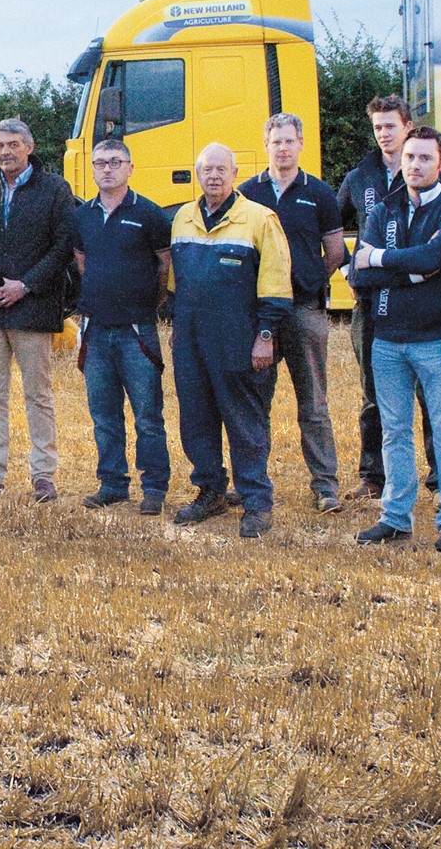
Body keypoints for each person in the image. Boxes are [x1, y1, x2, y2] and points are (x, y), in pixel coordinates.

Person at [349, 127, 441, 552]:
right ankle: (395, 518)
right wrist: (414, 272)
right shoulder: (385, 208)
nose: (415, 165)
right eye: (409, 157)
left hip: (434, 340)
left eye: (425, 158)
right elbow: (358, 272)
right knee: (394, 431)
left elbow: (433, 257)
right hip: (386, 341)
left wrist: (385, 260)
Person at [334, 95, 441, 499]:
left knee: (428, 394)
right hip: (370, 305)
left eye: (390, 126)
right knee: (374, 390)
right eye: (377, 128)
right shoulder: (359, 178)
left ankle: (440, 478)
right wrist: (349, 271)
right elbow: (335, 235)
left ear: (408, 126)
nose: (384, 134)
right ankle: (374, 476)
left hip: (423, 311)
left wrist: (389, 266)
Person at [167, 143, 293, 538]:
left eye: (222, 169)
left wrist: (266, 337)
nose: (214, 177)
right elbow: (177, 286)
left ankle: (256, 502)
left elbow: (276, 286)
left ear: (235, 174)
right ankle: (210, 491)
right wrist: (176, 330)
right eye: (207, 170)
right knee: (196, 420)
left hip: (239, 340)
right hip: (191, 341)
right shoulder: (183, 217)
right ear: (198, 173)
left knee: (245, 423)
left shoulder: (259, 219)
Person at [0, 118, 77, 503]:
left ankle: (43, 476)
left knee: (37, 395)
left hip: (35, 305)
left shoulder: (56, 190)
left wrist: (24, 285)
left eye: (12, 144)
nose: (5, 152)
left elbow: (63, 246)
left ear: (29, 147)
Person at [238, 112, 346, 513]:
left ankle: (325, 486)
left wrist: (310, 278)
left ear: (300, 144)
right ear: (265, 144)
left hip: (304, 312)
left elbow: (334, 252)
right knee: (254, 402)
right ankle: (250, 481)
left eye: (289, 140)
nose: (282, 148)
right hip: (259, 316)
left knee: (314, 404)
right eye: (275, 141)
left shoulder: (318, 193)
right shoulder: (247, 192)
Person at [71, 138, 172, 515]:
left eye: (115, 162)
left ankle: (154, 487)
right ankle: (112, 484)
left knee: (148, 415)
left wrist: (150, 302)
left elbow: (164, 265)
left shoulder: (150, 214)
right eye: (100, 163)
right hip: (96, 331)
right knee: (104, 415)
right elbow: (82, 261)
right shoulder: (81, 216)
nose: (107, 169)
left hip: (136, 331)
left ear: (130, 168)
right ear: (93, 169)